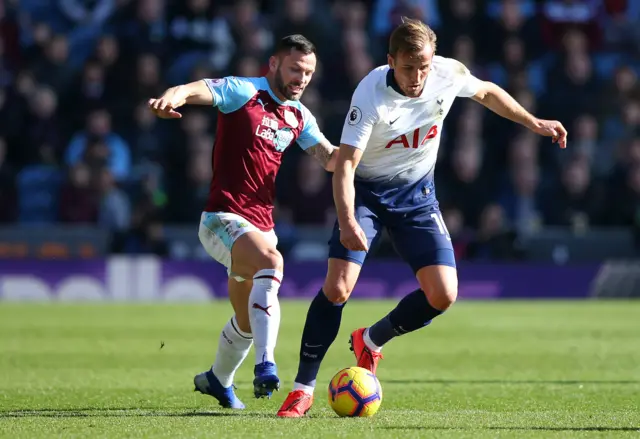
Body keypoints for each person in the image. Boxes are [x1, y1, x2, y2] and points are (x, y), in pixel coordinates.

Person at [277, 18, 567, 417]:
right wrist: (347, 222)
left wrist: (533, 122)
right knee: (339, 287)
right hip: (368, 195)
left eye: (424, 67)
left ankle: (371, 340)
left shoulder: (446, 73)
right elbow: (345, 166)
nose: (417, 77)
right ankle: (302, 389)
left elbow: (485, 92)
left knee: (443, 295)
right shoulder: (371, 94)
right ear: (391, 61)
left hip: (418, 197)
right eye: (409, 67)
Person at [148, 35, 338, 409]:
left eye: (309, 73)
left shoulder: (299, 116)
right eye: (295, 69)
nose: (302, 79)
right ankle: (266, 365)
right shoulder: (244, 91)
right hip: (221, 218)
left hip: (261, 226)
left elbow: (331, 159)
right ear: (273, 64)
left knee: (248, 319)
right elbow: (196, 89)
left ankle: (218, 380)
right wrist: (174, 95)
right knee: (272, 262)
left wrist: (374, 152)